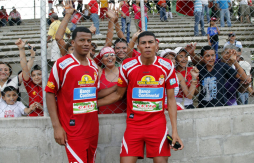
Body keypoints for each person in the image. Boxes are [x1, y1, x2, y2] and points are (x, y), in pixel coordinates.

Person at [97, 31, 184, 162]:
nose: (147, 46)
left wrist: (175, 132)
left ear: (156, 45)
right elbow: (118, 94)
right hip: (134, 125)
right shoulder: (127, 65)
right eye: (143, 43)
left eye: (151, 42)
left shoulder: (167, 65)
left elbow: (171, 99)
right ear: (138, 46)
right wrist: (93, 104)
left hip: (157, 124)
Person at [15, 39, 44, 116]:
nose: (36, 77)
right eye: (34, 75)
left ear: (44, 75)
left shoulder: (49, 85)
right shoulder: (30, 85)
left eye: (39, 74)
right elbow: (25, 68)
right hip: (32, 117)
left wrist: (42, 107)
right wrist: (21, 49)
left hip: (47, 116)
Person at [98, 47, 127, 114]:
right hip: (103, 114)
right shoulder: (99, 72)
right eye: (106, 55)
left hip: (123, 114)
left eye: (112, 55)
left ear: (115, 58)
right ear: (101, 60)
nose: (109, 57)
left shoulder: (123, 70)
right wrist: (118, 86)